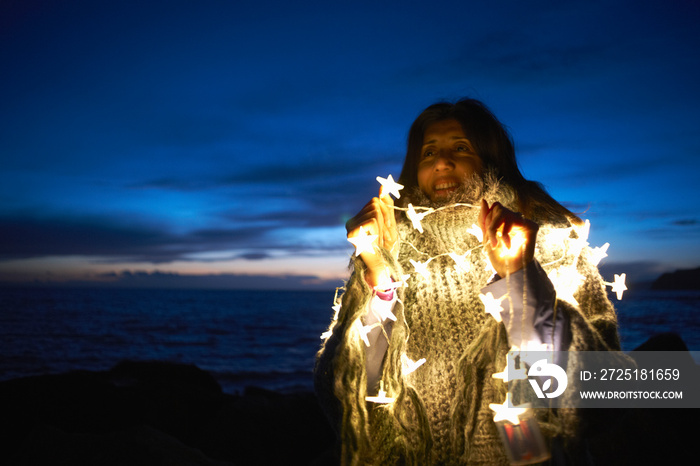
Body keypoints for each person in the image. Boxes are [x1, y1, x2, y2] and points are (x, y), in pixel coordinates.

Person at [315, 98, 622, 465]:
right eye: (428, 153)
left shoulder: (552, 244)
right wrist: (381, 282)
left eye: (460, 147)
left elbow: (603, 394)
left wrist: (520, 279)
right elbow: (341, 396)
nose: (441, 162)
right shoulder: (386, 255)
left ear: (492, 158)